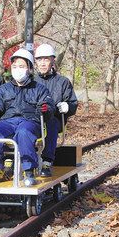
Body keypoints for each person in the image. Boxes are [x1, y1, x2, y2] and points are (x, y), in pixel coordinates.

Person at [0, 48, 54, 185]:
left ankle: (28, 171)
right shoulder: (3, 89)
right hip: (8, 121)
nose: (17, 69)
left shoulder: (39, 89)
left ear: (30, 69)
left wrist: (45, 109)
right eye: (14, 66)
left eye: (21, 66)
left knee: (23, 132)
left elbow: (49, 107)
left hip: (30, 121)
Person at [34, 43, 78, 177]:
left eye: (46, 59)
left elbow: (73, 103)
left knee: (51, 124)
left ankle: (47, 162)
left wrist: (67, 106)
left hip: (54, 118)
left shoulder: (62, 82)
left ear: (52, 60)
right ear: (35, 62)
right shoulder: (31, 81)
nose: (42, 63)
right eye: (39, 60)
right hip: (34, 118)